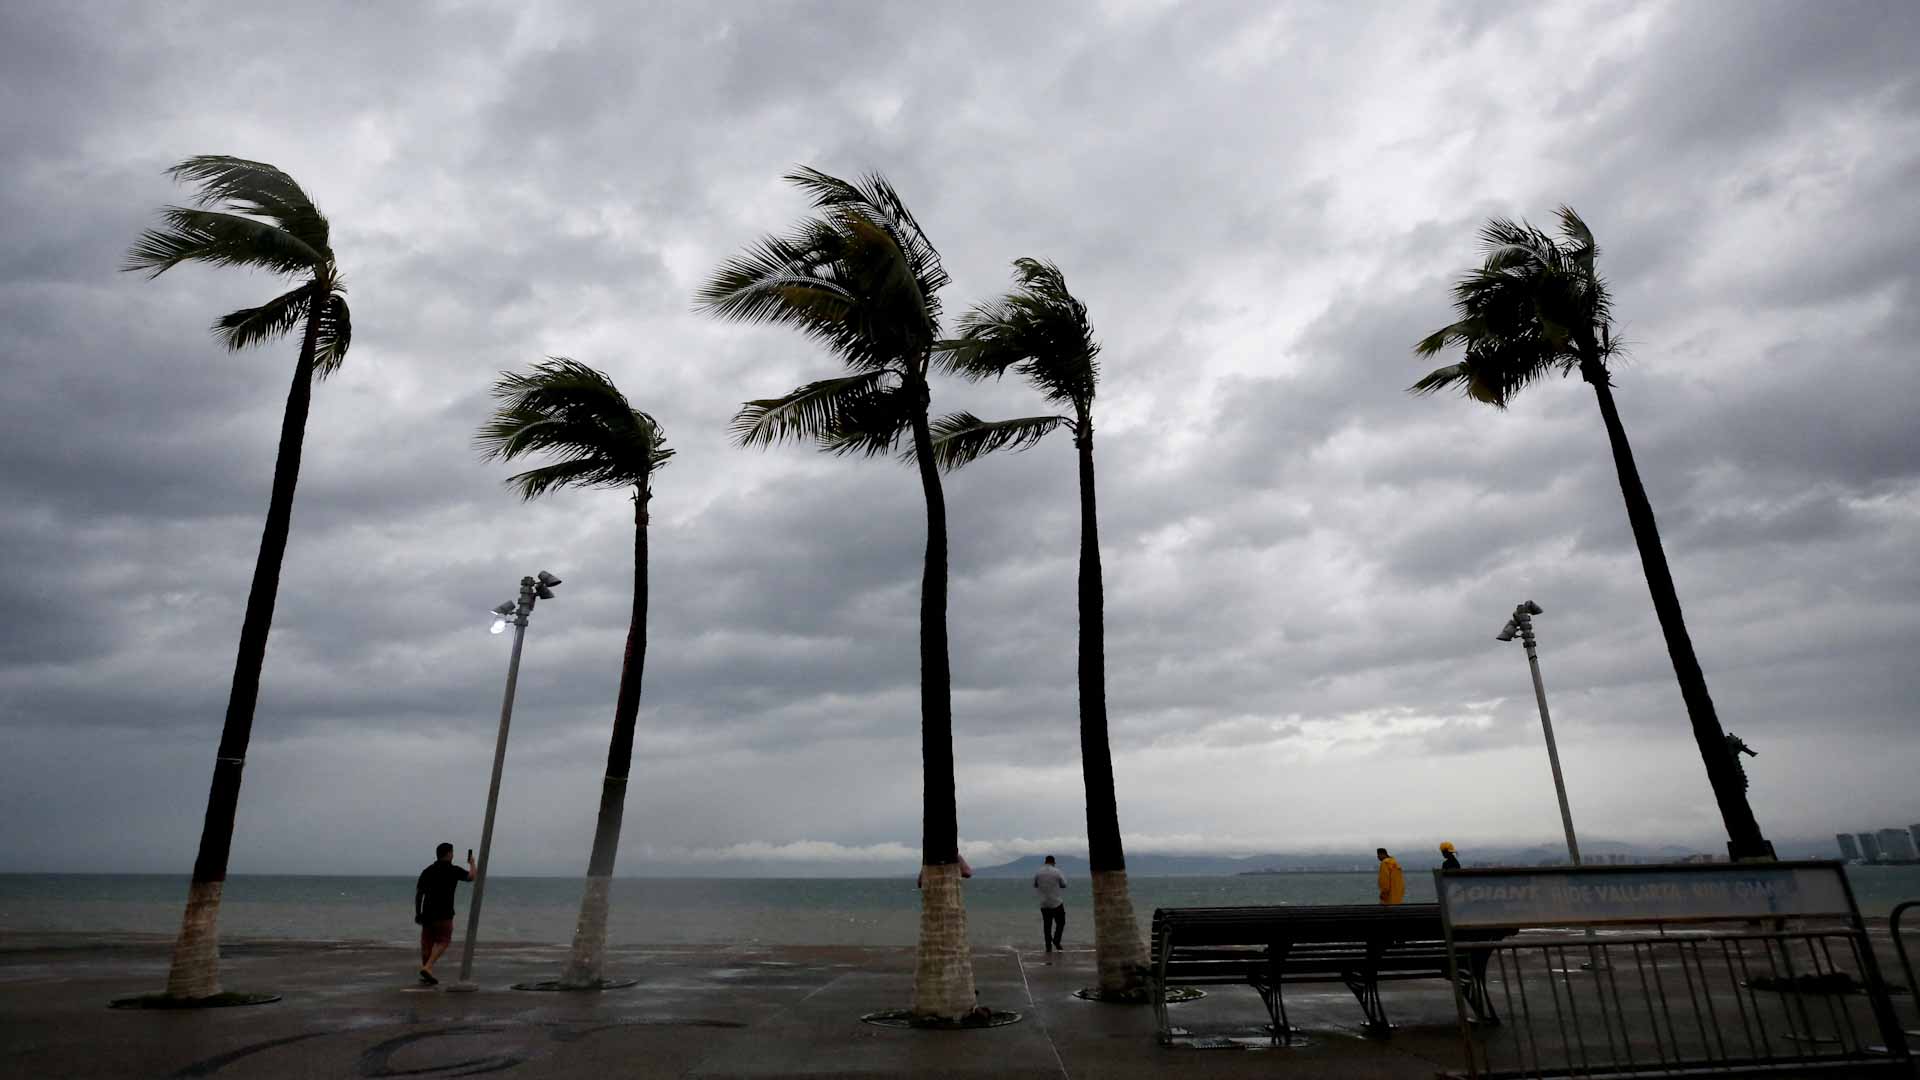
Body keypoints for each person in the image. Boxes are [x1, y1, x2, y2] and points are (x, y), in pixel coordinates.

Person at [414, 842, 474, 985]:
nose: (453, 855)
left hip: (427, 913)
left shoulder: (427, 871)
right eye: (452, 852)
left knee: (427, 943)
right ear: (448, 854)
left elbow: (419, 894)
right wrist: (472, 863)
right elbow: (471, 877)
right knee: (443, 941)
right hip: (445, 913)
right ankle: (428, 968)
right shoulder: (453, 870)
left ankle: (426, 971)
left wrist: (418, 913)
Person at [1033, 855, 1068, 954]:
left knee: (1047, 925)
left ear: (1045, 862)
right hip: (1056, 902)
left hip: (1044, 903)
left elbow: (1035, 885)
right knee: (1061, 923)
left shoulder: (1038, 872)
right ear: (1053, 862)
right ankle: (1056, 940)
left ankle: (1048, 947)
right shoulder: (1057, 871)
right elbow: (1064, 884)